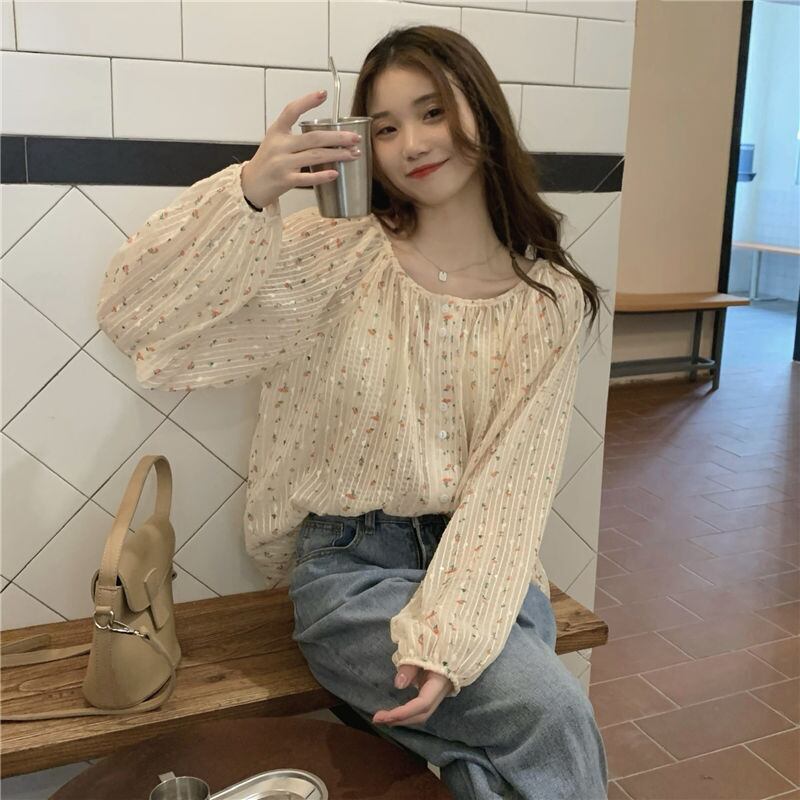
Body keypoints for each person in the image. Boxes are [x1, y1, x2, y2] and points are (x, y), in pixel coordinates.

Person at [97, 23, 608, 800]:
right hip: (350, 571)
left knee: (490, 764)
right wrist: (249, 191)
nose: (413, 143)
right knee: (552, 715)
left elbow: (512, 489)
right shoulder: (338, 256)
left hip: (487, 572)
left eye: (432, 111)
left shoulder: (548, 301)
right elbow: (136, 314)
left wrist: (451, 637)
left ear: (482, 109)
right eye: (387, 128)